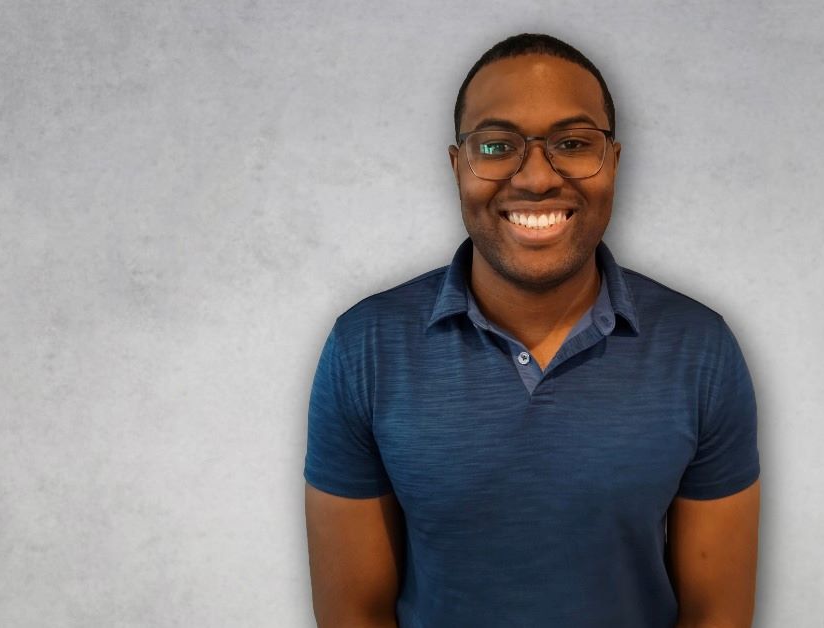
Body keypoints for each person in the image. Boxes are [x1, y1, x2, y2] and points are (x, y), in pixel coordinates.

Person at [304, 33, 761, 628]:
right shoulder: (363, 349)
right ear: (457, 166)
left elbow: (716, 615)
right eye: (496, 145)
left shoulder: (701, 350)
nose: (537, 177)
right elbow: (353, 614)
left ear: (614, 163)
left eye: (573, 143)